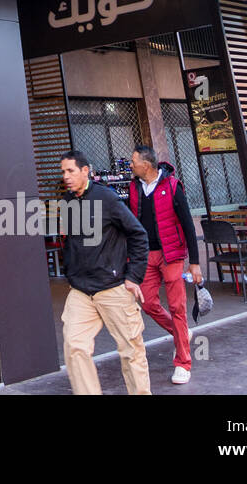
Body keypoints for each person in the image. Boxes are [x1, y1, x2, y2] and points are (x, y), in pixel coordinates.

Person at [59, 149, 151, 395]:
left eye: (71, 171)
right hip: (81, 291)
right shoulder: (67, 202)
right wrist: (71, 271)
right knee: (74, 346)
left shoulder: (107, 198)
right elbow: (71, 241)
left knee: (131, 350)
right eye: (63, 172)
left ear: (85, 171)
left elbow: (138, 234)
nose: (66, 176)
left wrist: (133, 277)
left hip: (112, 287)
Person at [129, 145, 202, 385]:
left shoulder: (172, 186)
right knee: (148, 302)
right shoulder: (135, 188)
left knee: (177, 307)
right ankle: (180, 333)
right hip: (147, 255)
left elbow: (188, 225)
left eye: (134, 161)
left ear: (146, 165)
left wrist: (195, 262)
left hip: (171, 255)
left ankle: (183, 363)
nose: (131, 165)